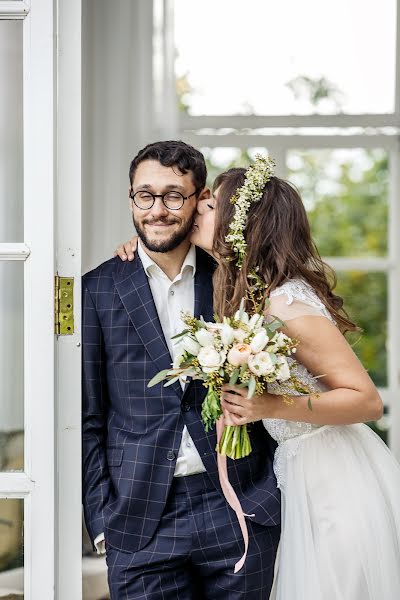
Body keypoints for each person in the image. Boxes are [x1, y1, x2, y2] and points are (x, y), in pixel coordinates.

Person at [116, 157, 400, 599]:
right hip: (297, 473)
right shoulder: (249, 293)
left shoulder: (285, 303)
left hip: (333, 479)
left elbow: (365, 401)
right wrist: (140, 249)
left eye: (209, 206)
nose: (197, 210)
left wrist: (268, 407)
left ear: (237, 226)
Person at [82, 141, 281, 600]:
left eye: (174, 196)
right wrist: (102, 520)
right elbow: (88, 418)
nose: (157, 210)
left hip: (237, 505)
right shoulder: (98, 289)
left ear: (200, 199)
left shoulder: (237, 279)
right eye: (144, 196)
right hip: (139, 519)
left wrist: (267, 496)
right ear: (131, 198)